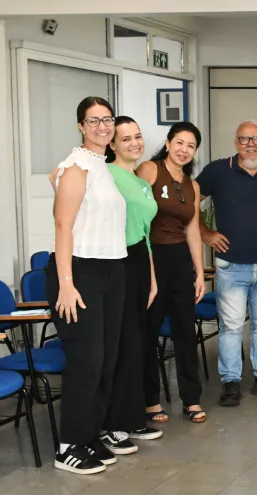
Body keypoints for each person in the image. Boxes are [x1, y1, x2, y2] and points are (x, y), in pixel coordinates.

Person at [47, 96, 126, 474]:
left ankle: (89, 433)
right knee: (86, 361)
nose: (102, 127)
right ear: (81, 126)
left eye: (107, 119)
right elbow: (63, 226)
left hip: (111, 269)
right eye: (93, 121)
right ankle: (67, 446)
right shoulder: (76, 165)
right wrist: (66, 282)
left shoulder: (101, 165)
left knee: (106, 360)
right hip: (79, 272)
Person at [197, 120, 257, 407]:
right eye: (244, 139)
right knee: (231, 327)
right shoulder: (217, 171)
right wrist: (206, 233)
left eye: (256, 139)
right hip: (231, 266)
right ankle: (231, 382)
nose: (251, 144)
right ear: (235, 142)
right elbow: (190, 201)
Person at [137, 122, 207, 424]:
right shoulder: (149, 170)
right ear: (168, 143)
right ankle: (150, 400)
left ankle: (191, 399)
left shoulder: (193, 186)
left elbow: (192, 231)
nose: (184, 150)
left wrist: (200, 273)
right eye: (179, 142)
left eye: (190, 146)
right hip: (151, 257)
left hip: (180, 261)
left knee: (184, 332)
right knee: (148, 331)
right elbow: (136, 217)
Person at [100, 117, 162, 452]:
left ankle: (132, 418)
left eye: (138, 137)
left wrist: (151, 277)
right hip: (114, 260)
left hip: (139, 259)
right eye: (126, 139)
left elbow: (145, 233)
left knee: (137, 344)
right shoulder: (105, 174)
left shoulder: (140, 182)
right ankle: (113, 424)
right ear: (112, 144)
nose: (135, 143)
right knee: (120, 345)